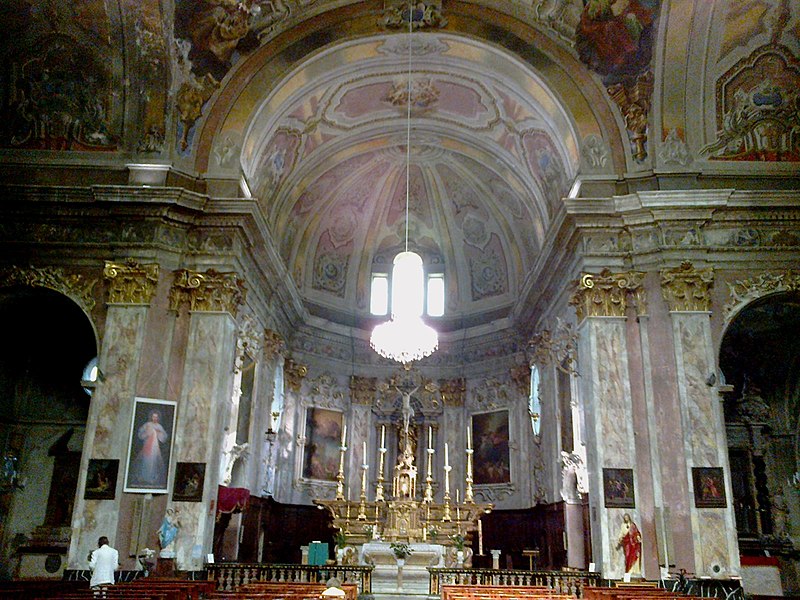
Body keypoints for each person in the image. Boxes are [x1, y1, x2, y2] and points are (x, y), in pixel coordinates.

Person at [132, 409, 168, 486]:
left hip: (155, 447)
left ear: (158, 418)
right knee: (145, 460)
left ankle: (151, 478)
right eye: (153, 417)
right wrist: (147, 433)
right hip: (147, 446)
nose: (155, 418)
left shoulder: (159, 426)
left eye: (156, 417)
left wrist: (158, 433)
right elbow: (140, 434)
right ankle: (143, 478)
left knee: (153, 461)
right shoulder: (147, 424)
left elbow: (164, 437)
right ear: (151, 417)